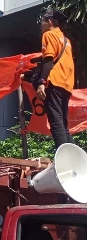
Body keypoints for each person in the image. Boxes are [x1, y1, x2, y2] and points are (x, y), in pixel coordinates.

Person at [37, 8, 75, 150]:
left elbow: (48, 60)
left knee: (56, 123)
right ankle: (77, 160)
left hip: (53, 82)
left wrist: (41, 82)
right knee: (62, 125)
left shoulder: (49, 35)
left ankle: (65, 158)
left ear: (50, 22)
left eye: (43, 21)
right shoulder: (66, 40)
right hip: (66, 85)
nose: (41, 24)